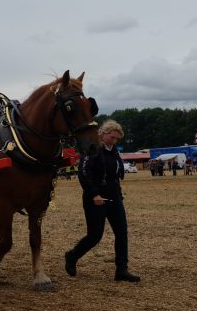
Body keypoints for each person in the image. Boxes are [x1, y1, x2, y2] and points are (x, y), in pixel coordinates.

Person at [65, 120, 140, 282]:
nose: (114, 141)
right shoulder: (92, 149)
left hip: (114, 198)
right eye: (112, 137)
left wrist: (118, 195)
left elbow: (115, 176)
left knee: (121, 233)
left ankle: (121, 270)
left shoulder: (114, 152)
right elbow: (84, 174)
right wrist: (94, 195)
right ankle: (72, 256)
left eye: (117, 139)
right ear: (103, 133)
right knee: (95, 236)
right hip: (95, 199)